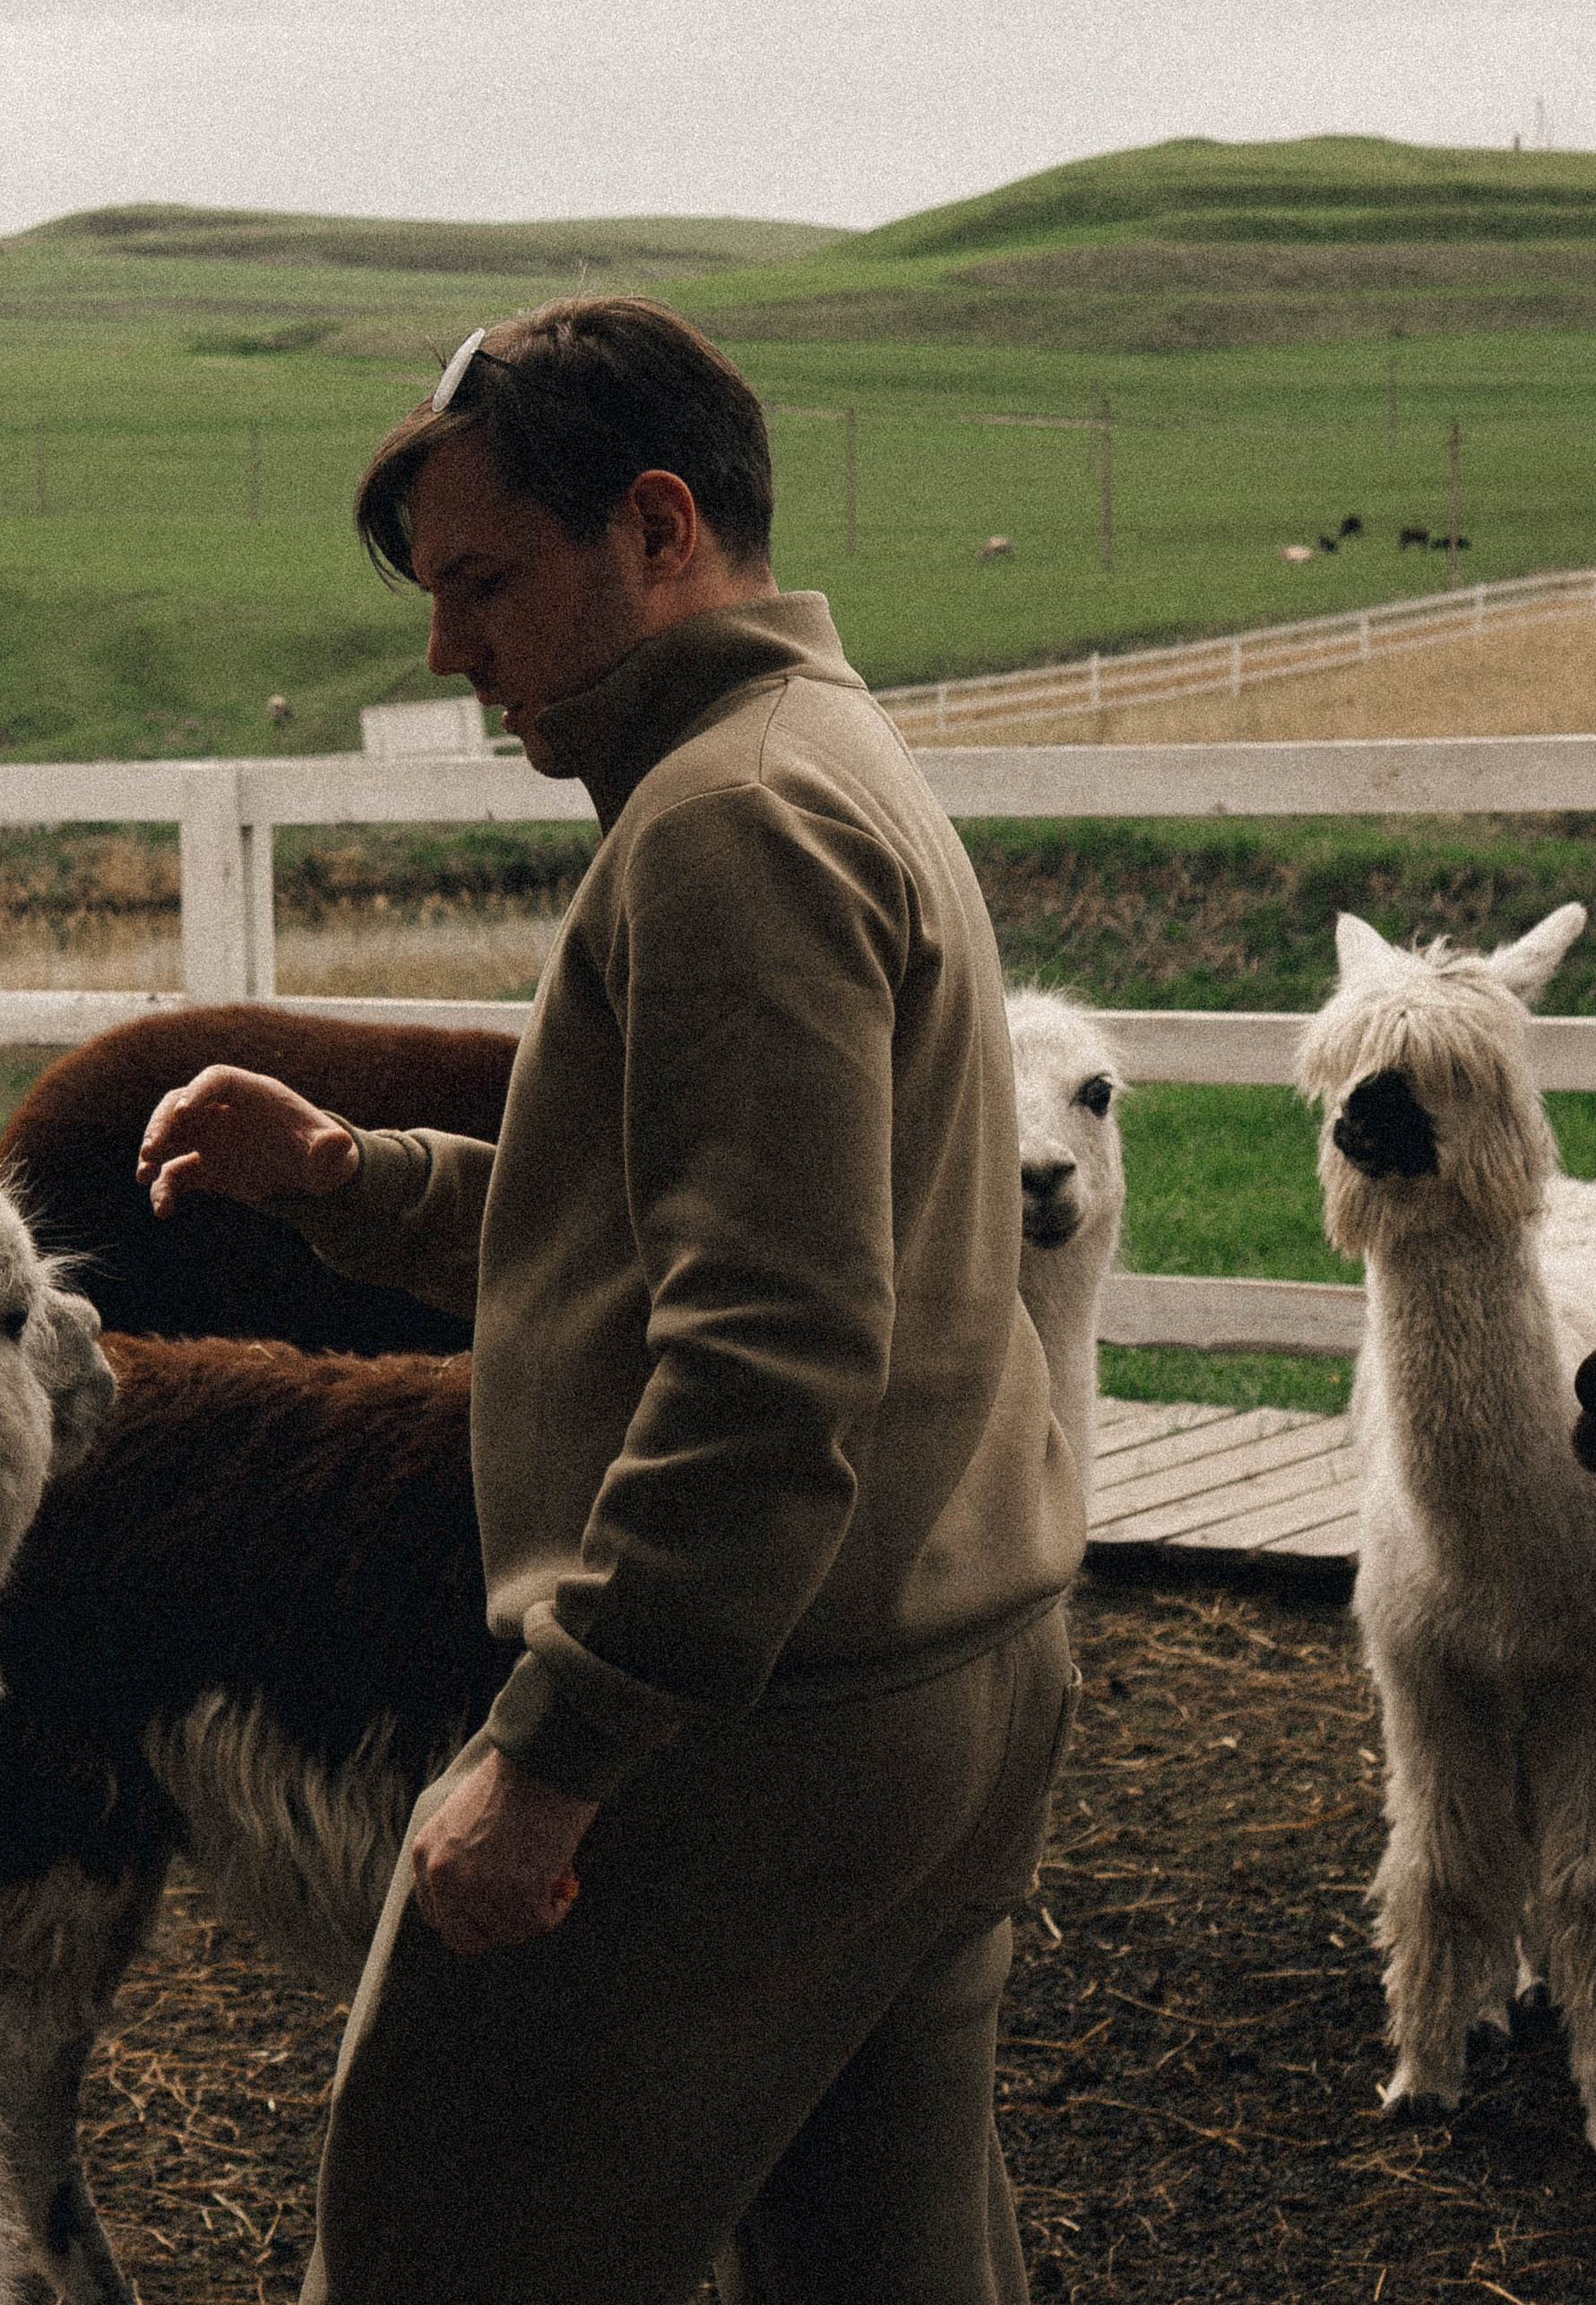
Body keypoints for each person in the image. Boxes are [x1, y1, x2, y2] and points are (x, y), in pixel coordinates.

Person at [137, 296, 1084, 2305]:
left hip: (748, 1739)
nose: (442, 649)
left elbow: (766, 1357)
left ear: (653, 530)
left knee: (432, 2260)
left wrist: (557, 1750)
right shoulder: (817, 750)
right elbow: (697, 1241)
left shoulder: (727, 824)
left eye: (479, 581)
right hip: (946, 1675)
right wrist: (345, 1181)